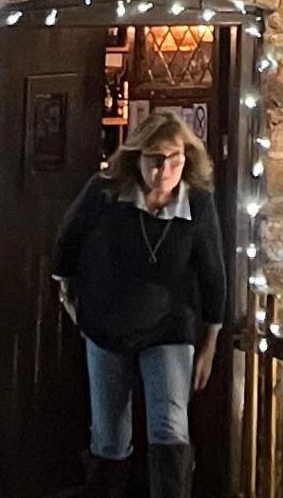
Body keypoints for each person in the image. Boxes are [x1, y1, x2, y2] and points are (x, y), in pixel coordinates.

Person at [48, 109, 229, 498]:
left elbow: (213, 272)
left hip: (169, 326)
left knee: (169, 429)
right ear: (137, 157)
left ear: (187, 159)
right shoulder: (107, 191)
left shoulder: (197, 203)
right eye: (155, 158)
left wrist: (210, 341)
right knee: (110, 436)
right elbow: (68, 237)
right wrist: (69, 296)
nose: (164, 169)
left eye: (174, 159)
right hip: (107, 322)